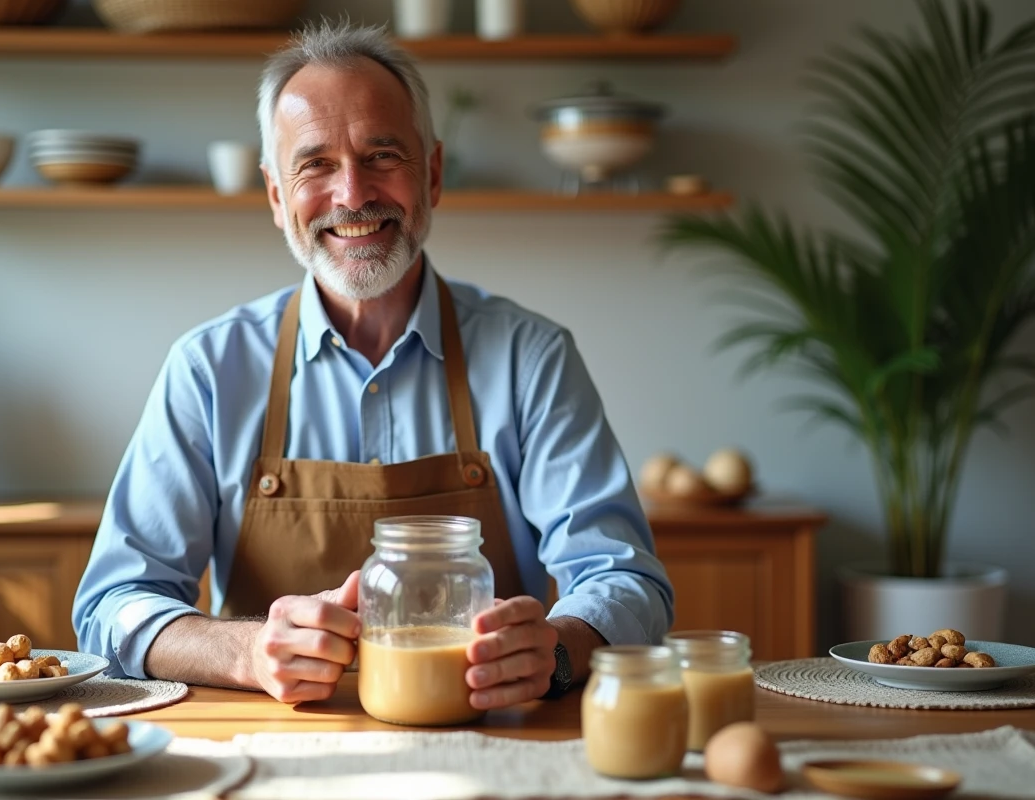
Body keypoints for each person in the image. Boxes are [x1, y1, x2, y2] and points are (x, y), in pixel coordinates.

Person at [72, 20, 674, 710]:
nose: (353, 193)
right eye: (316, 164)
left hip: (493, 735)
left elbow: (627, 579)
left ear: (434, 174)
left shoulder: (530, 358)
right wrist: (243, 651)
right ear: (276, 196)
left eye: (382, 155)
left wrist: (558, 649)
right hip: (270, 744)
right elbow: (112, 604)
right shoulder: (210, 368)